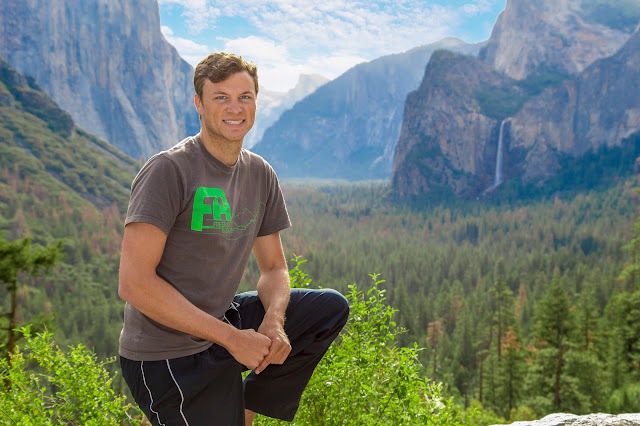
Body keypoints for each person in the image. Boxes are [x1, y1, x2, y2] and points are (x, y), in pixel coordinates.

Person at [117, 52, 349, 426]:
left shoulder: (260, 173)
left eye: (244, 96)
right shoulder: (168, 170)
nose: (235, 108)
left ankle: (241, 404)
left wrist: (273, 321)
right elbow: (134, 283)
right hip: (163, 354)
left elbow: (274, 267)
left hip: (221, 326)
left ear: (256, 102)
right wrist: (233, 339)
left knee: (328, 309)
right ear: (199, 103)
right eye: (220, 96)